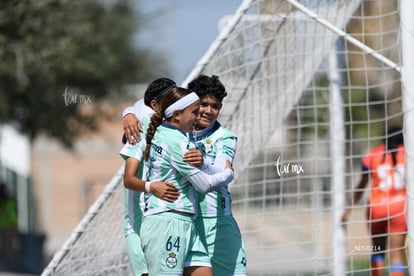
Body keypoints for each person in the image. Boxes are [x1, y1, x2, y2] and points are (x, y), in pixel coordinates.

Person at [125, 86, 235, 275]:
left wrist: (127, 112)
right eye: (194, 111)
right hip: (168, 222)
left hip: (187, 223)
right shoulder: (177, 142)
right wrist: (228, 173)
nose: (198, 116)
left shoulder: (166, 134)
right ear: (176, 115)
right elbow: (204, 185)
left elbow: (136, 109)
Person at [186, 75, 247, 275]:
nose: (209, 111)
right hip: (185, 221)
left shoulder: (224, 137)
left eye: (216, 106)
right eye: (204, 104)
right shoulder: (175, 132)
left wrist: (203, 162)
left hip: (218, 222)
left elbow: (224, 168)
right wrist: (129, 114)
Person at [120, 78, 180, 276]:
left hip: (167, 221)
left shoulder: (175, 129)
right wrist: (128, 113)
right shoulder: (141, 125)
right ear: (155, 104)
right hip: (141, 221)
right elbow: (128, 179)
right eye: (169, 100)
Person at [342, 126, 406, 276]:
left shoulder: (372, 154)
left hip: (376, 209)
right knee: (396, 253)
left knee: (377, 249)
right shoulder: (408, 153)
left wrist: (348, 209)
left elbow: (362, 184)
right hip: (400, 208)